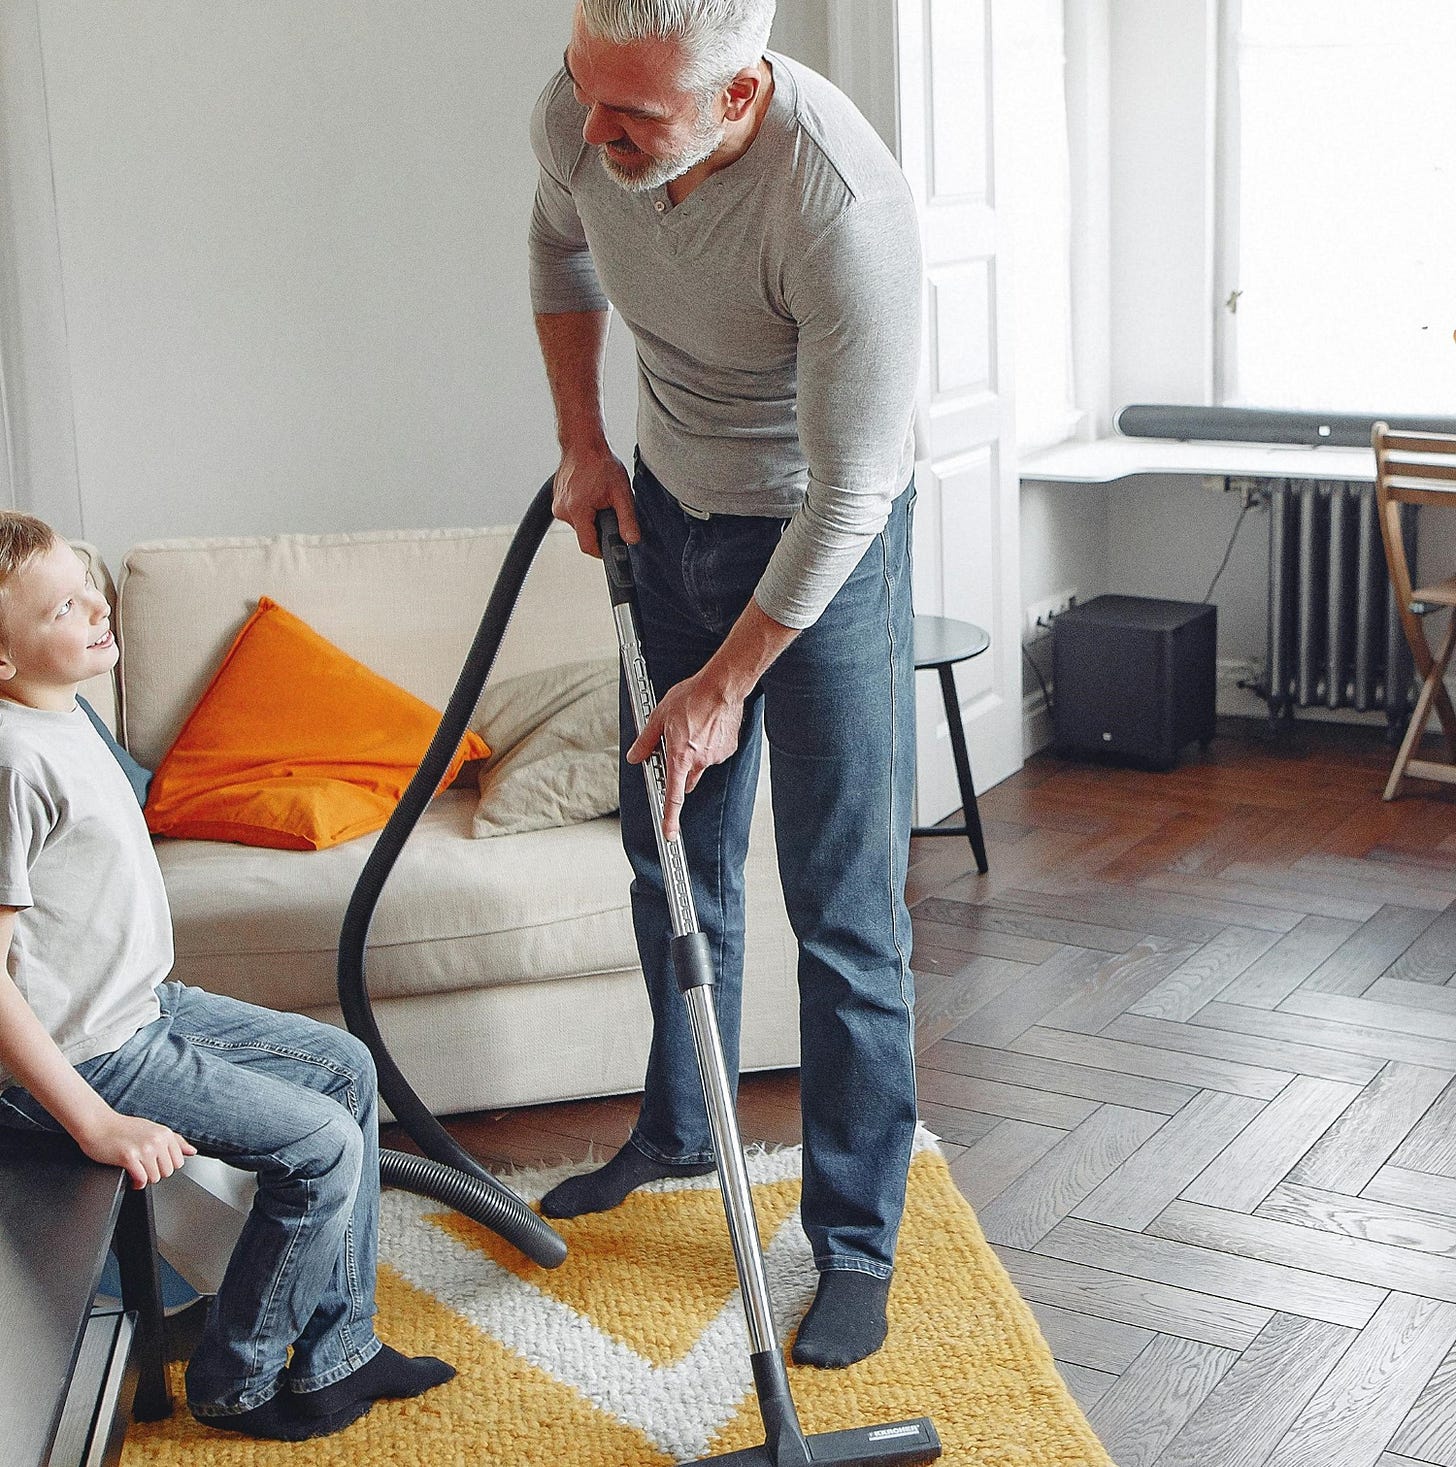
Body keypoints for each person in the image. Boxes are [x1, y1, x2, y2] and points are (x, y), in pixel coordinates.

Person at [529, 0, 923, 1369]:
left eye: (632, 115)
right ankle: (680, 1125)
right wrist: (584, 442)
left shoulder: (838, 204)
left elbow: (856, 486)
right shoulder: (591, 108)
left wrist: (727, 679)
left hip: (827, 545)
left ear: (741, 93)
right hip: (672, 513)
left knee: (844, 908)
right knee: (671, 855)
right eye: (591, 96)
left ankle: (858, 1238)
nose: (593, 131)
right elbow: (554, 236)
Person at [0, 513, 455, 1440]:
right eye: (62, 607)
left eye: (89, 585)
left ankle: (341, 1350)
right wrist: (96, 1124)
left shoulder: (62, 711)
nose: (95, 607)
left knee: (345, 1066)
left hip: (140, 1009)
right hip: (91, 1057)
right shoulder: (11, 762)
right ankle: (237, 1379)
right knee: (323, 1146)